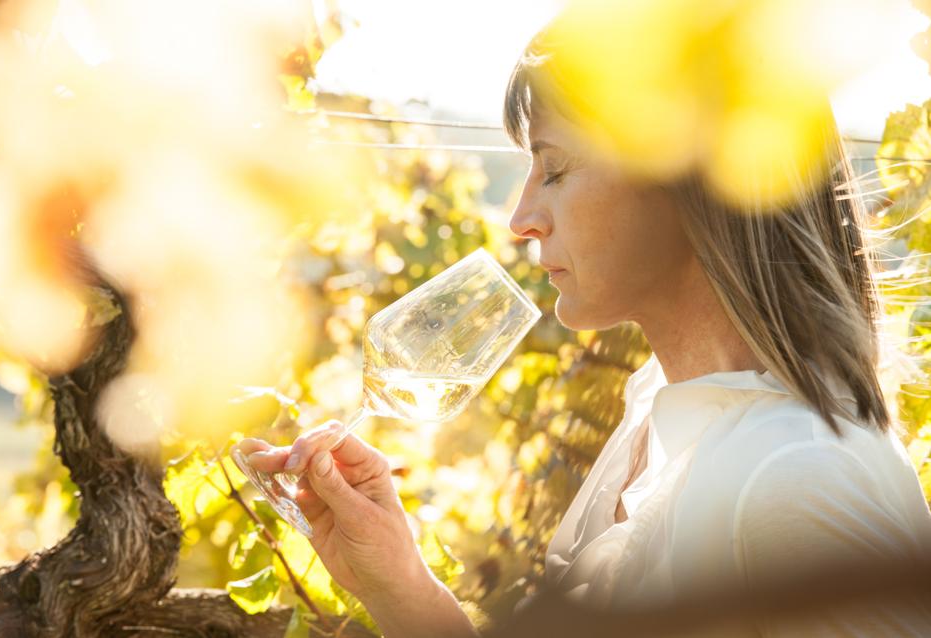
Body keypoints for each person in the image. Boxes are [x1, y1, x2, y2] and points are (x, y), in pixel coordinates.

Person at [239, 4, 931, 636]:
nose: (520, 219)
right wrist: (396, 582)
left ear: (691, 182)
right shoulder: (659, 409)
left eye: (556, 169)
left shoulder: (800, 475)